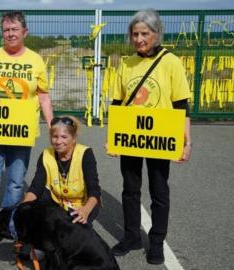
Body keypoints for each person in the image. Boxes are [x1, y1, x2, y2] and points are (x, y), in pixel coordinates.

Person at [109, 9, 192, 265]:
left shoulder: (171, 62)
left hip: (161, 136)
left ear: (157, 34)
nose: (139, 38)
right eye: (135, 34)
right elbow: (117, 102)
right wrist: (111, 137)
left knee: (159, 191)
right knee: (130, 190)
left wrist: (186, 141)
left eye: (145, 33)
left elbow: (181, 105)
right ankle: (132, 236)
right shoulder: (126, 63)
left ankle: (156, 242)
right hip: (131, 135)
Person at [0, 11, 53, 256]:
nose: (10, 34)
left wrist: (52, 124)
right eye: (6, 30)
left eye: (14, 29)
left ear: (24, 32)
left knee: (16, 185)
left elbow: (43, 95)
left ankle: (8, 226)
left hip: (21, 133)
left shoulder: (36, 60)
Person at [23, 116, 101, 225]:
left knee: (75, 235)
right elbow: (36, 187)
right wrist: (24, 208)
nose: (58, 141)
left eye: (64, 137)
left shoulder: (85, 154)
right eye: (55, 136)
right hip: (56, 204)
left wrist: (85, 210)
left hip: (81, 205)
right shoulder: (46, 155)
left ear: (73, 138)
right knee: (38, 201)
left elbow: (94, 190)